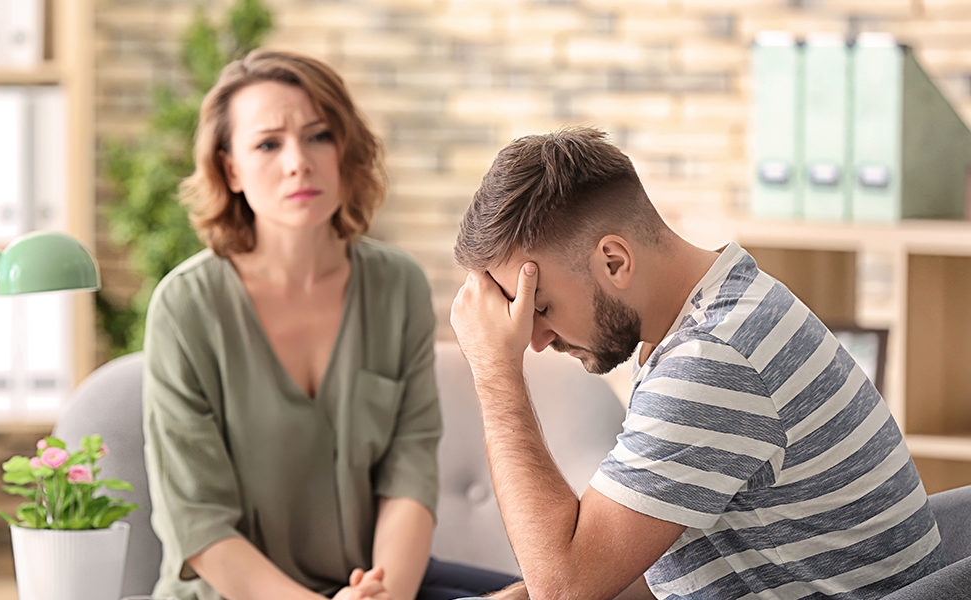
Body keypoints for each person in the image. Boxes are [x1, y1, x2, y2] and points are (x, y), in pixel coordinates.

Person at [447, 127, 944, 600]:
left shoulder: (711, 359)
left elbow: (564, 586)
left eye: (540, 306)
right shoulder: (730, 303)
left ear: (614, 261)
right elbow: (641, 562)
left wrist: (495, 368)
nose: (534, 341)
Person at [142, 49, 518, 600]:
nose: (299, 161)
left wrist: (386, 591)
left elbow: (409, 476)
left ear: (345, 149)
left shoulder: (398, 285)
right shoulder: (185, 306)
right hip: (236, 594)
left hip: (373, 584)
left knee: (559, 591)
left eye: (319, 136)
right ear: (231, 169)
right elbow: (198, 526)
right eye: (268, 144)